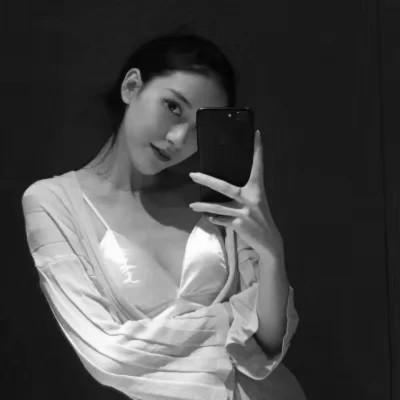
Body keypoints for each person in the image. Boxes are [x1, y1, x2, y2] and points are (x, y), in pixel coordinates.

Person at [21, 30, 307, 400]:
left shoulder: (216, 200)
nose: (178, 139)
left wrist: (271, 250)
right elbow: (109, 355)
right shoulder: (52, 201)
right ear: (132, 87)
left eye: (199, 128)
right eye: (173, 107)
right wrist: (231, 322)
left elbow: (268, 342)